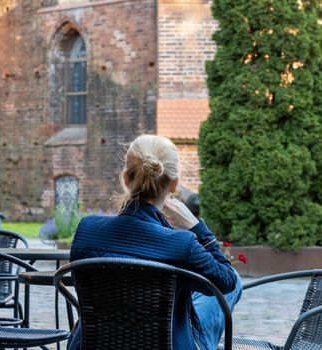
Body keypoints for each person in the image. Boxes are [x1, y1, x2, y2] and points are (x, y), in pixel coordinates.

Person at [68, 134, 242, 350]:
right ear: (174, 185)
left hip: (93, 345)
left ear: (125, 179)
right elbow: (227, 281)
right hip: (168, 344)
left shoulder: (87, 230)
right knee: (230, 281)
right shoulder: (182, 244)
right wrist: (198, 228)